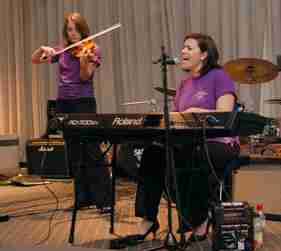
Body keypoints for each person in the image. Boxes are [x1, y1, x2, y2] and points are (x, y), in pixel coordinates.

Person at [134, 33, 240, 243]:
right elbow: (175, 120)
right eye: (183, 48)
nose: (183, 51)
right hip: (189, 142)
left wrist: (196, 112)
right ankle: (148, 218)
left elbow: (225, 114)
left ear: (204, 54)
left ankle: (200, 219)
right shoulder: (184, 84)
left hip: (218, 143)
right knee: (153, 154)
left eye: (189, 48)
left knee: (196, 156)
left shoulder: (220, 76)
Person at [31, 12, 111, 213]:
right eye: (69, 29)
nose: (73, 33)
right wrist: (42, 48)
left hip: (83, 102)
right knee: (74, 153)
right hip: (63, 104)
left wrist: (85, 60)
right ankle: (83, 198)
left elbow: (85, 77)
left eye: (76, 29)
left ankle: (104, 200)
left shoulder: (91, 48)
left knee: (91, 151)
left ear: (83, 30)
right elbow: (35, 60)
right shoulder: (63, 50)